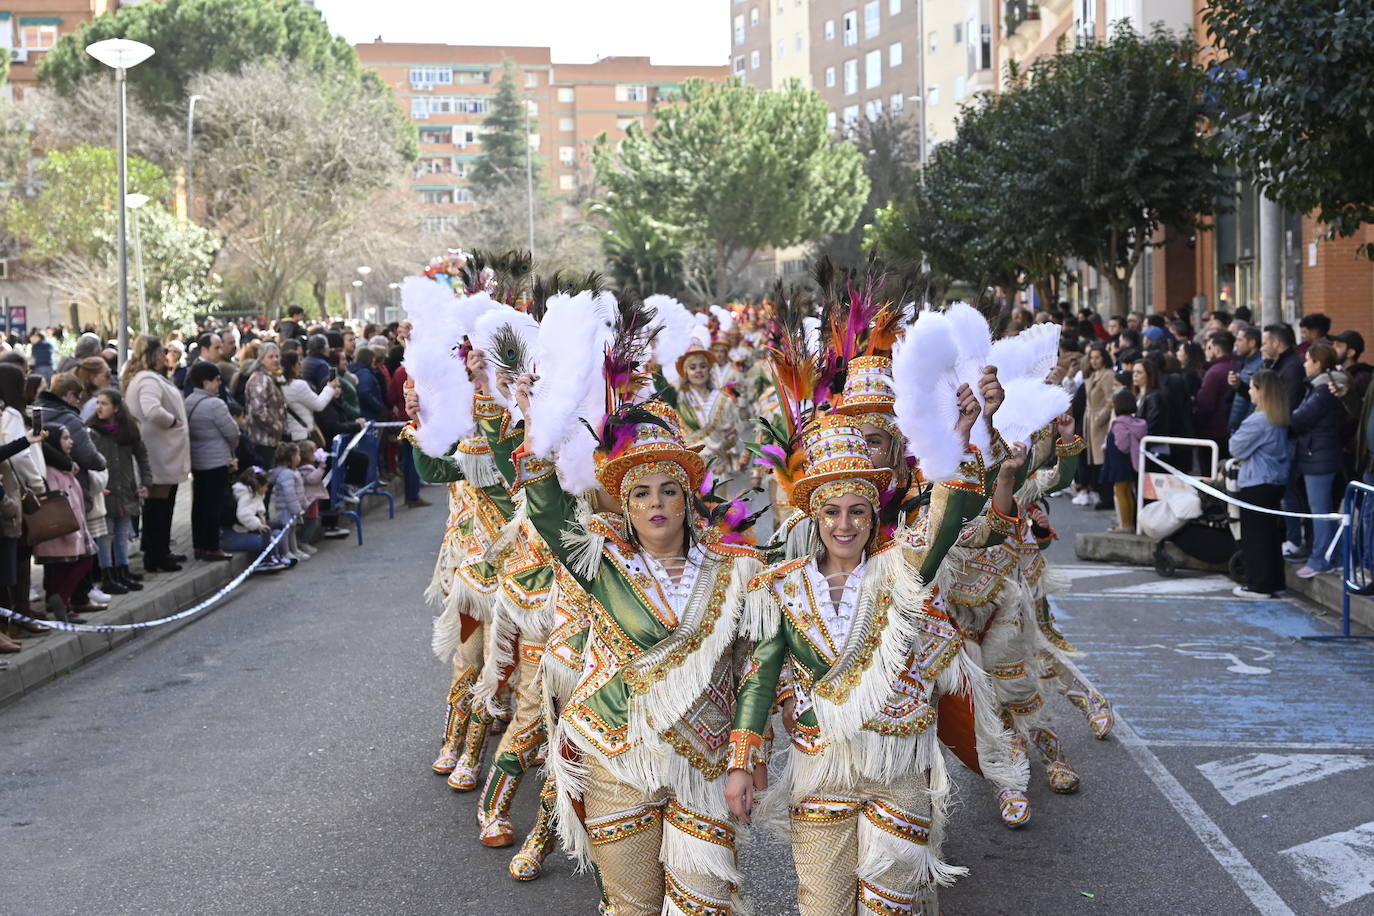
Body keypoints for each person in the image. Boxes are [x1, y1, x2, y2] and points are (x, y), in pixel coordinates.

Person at [505, 374, 759, 916]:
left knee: (704, 904)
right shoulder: (601, 561)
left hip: (703, 762)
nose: (656, 503)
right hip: (616, 757)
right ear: (625, 505)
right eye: (641, 493)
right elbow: (548, 510)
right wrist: (535, 426)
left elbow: (754, 669)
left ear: (688, 499)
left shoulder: (736, 570)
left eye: (669, 490)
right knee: (632, 905)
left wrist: (746, 756)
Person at [121, 335, 191, 574]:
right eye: (161, 352)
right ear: (151, 355)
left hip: (162, 450)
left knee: (162, 505)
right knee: (158, 507)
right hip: (159, 451)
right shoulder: (147, 380)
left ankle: (159, 550)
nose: (165, 356)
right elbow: (152, 410)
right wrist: (173, 422)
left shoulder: (149, 378)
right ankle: (157, 554)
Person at [1229, 370, 1293, 598]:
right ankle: (1275, 582)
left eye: (1252, 387)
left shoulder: (1258, 420)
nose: (1249, 391)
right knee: (1270, 534)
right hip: (1275, 481)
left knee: (1255, 535)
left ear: (1261, 391)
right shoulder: (1279, 418)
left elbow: (1235, 447)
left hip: (1257, 481)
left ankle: (1260, 584)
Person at [1290, 342, 1348, 578]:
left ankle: (1320, 559)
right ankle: (1337, 557)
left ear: (1318, 363)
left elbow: (1299, 418)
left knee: (1320, 511)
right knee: (1325, 511)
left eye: (1308, 360)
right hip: (1320, 454)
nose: (1304, 364)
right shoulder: (1320, 387)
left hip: (1319, 456)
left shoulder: (1323, 390)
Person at [86, 389, 151, 593]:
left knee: (122, 534)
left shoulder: (128, 430)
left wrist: (146, 481)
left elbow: (142, 455)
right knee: (105, 535)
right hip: (104, 491)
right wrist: (94, 486)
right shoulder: (92, 432)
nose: (99, 407)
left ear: (116, 408)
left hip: (125, 490)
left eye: (104, 403)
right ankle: (107, 575)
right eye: (98, 403)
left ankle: (123, 571)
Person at [33, 426, 97, 622]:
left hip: (74, 528)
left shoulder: (65, 468)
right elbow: (59, 504)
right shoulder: (52, 472)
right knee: (74, 564)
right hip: (64, 530)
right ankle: (61, 600)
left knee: (67, 566)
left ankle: (63, 604)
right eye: (65, 438)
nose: (71, 442)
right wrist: (72, 531)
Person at [185, 361, 240, 562]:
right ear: (206, 382)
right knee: (213, 506)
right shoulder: (216, 404)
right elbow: (232, 432)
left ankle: (199, 546)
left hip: (197, 460)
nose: (219, 384)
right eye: (216, 380)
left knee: (199, 504)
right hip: (216, 461)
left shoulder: (188, 401)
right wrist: (232, 451)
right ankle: (212, 546)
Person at [224, 467, 292, 572]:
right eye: (266, 486)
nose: (267, 489)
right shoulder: (247, 496)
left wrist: (262, 517)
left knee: (277, 534)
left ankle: (277, 557)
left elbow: (258, 509)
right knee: (268, 537)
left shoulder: (255, 495)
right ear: (259, 485)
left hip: (244, 530)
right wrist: (258, 524)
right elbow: (244, 514)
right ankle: (267, 560)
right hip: (235, 532)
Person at [1102, 389, 1146, 533]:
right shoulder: (1135, 422)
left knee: (1121, 492)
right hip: (1131, 463)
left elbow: (1123, 445)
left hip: (1120, 464)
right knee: (1128, 492)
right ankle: (1129, 523)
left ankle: (1125, 524)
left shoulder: (1119, 424)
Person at [1080, 343, 1116, 510]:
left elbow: (1110, 401)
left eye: (1097, 357)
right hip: (1090, 421)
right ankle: (1098, 492)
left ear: (1104, 358)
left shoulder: (1108, 375)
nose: (1094, 361)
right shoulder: (1093, 374)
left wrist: (1099, 419)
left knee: (1101, 459)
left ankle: (1105, 496)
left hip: (1099, 422)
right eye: (1091, 358)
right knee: (1093, 460)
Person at [244, 342, 288, 469]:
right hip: (263, 441)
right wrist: (277, 427)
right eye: (271, 357)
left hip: (272, 440)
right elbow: (258, 411)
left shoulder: (271, 377)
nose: (275, 360)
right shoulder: (260, 379)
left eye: (277, 356)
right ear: (261, 359)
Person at [1193, 331, 1237, 458]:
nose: (1206, 351)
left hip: (1213, 432)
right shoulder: (1238, 366)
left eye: (1209, 348)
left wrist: (1197, 422)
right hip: (1228, 430)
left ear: (1216, 349)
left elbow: (1205, 404)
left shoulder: (1214, 372)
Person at [281, 351, 337, 443]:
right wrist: (330, 387)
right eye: (298, 362)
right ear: (292, 366)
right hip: (302, 434)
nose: (301, 365)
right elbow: (318, 405)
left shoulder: (278, 384)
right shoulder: (299, 385)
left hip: (289, 434)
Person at [1228, 325, 1264, 433]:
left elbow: (1255, 399)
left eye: (1240, 340)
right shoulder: (1245, 362)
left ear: (1252, 343)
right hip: (1240, 425)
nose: (1236, 344)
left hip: (1248, 426)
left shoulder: (1259, 365)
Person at [73, 356, 114, 421]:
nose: (111, 378)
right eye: (107, 374)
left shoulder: (81, 402)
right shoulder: (96, 404)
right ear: (93, 378)